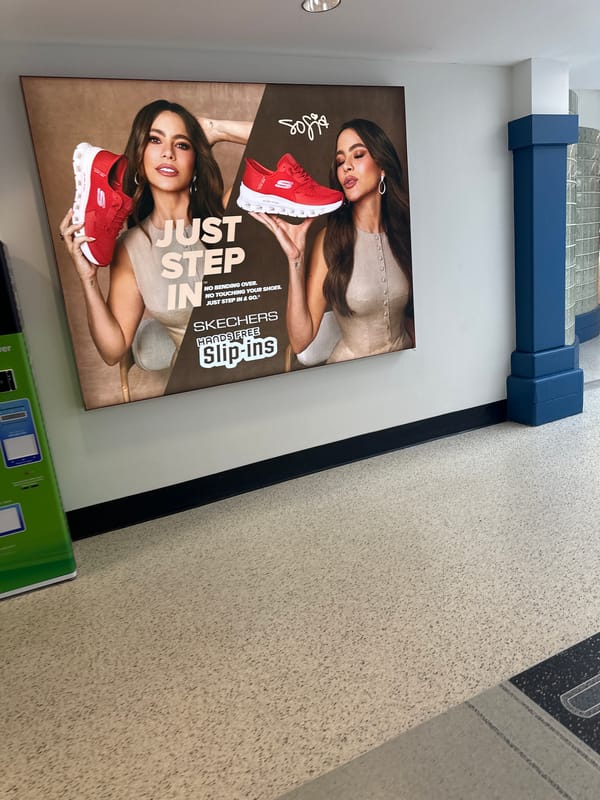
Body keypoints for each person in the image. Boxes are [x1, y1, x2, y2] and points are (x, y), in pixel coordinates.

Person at [59, 99, 252, 369]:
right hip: (196, 383)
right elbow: (113, 350)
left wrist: (214, 129)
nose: (168, 153)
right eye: (155, 140)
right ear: (138, 156)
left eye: (182, 144)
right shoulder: (131, 246)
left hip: (261, 363)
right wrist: (88, 280)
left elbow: (289, 142)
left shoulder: (226, 213)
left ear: (196, 158)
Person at [250, 118, 414, 364]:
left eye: (357, 155)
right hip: (351, 378)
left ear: (382, 167)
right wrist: (295, 260)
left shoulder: (405, 232)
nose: (346, 167)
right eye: (340, 161)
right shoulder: (330, 240)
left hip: (405, 370)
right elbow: (300, 341)